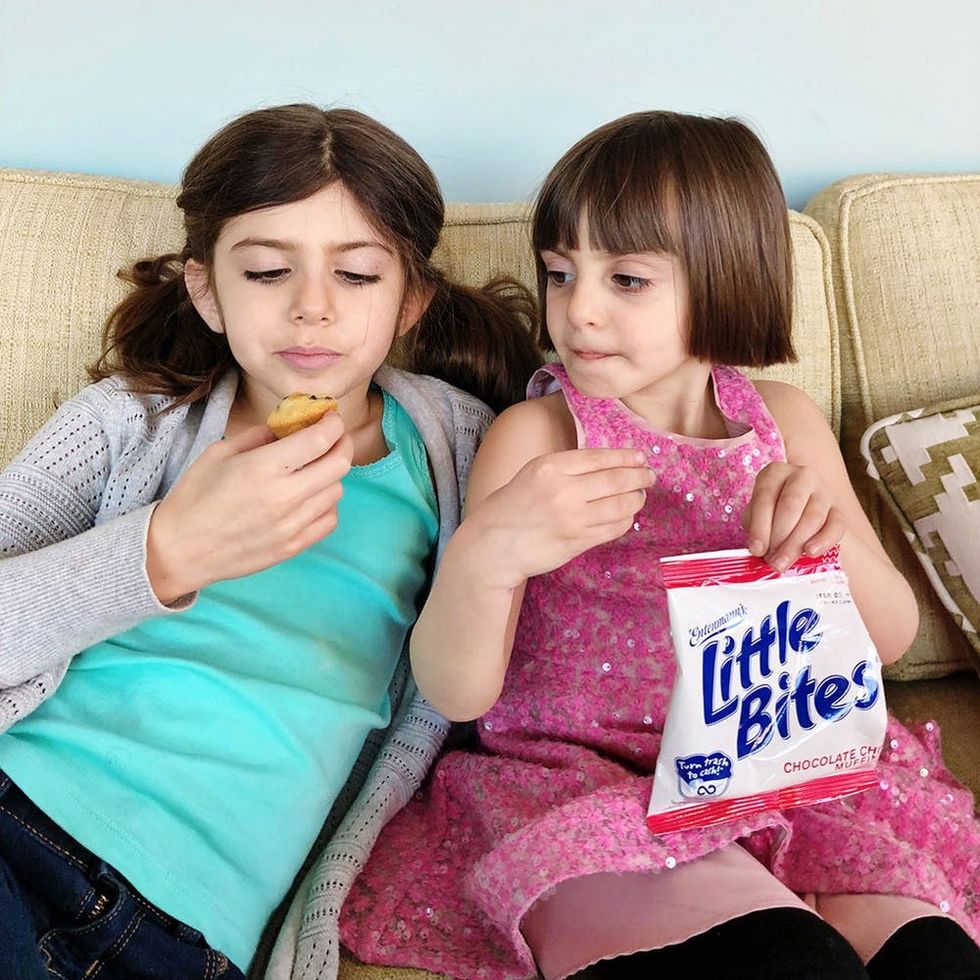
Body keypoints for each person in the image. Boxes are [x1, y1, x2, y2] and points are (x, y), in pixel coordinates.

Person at [339, 111, 980, 980]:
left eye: (627, 279)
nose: (578, 309)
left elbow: (891, 637)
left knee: (936, 961)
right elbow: (459, 692)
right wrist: (486, 555)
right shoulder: (539, 437)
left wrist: (825, 535)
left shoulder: (784, 422)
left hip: (788, 771)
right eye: (560, 273)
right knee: (795, 962)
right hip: (589, 785)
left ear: (725, 281)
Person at [0, 103, 542, 980]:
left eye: (357, 274)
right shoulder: (126, 425)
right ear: (207, 290)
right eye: (266, 271)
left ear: (411, 300)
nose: (311, 308)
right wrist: (163, 552)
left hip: (188, 937)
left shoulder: (468, 451)